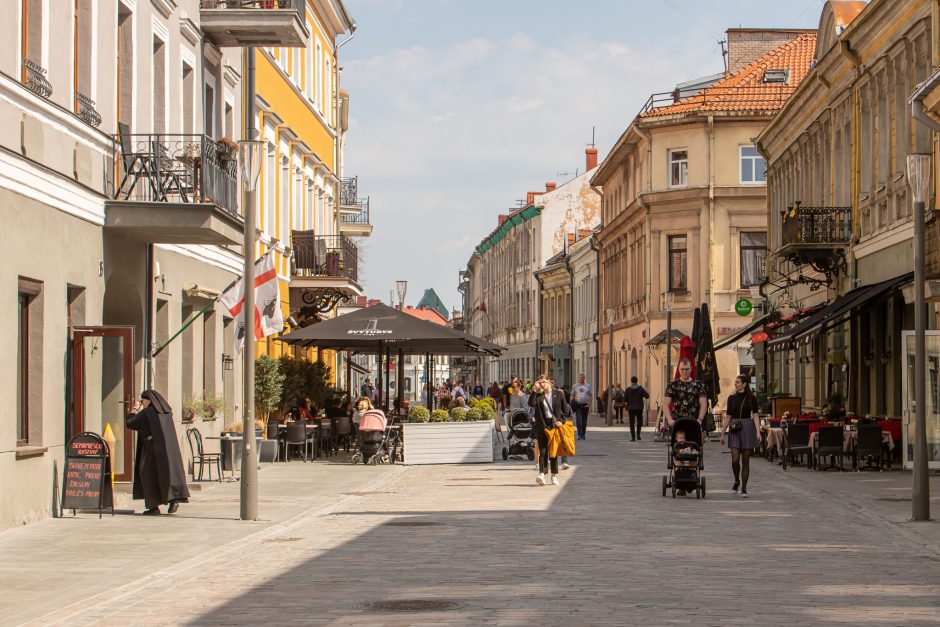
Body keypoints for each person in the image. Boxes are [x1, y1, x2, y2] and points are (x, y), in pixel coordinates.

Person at [126, 390, 190, 515]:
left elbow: (130, 423)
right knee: (168, 474)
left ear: (148, 401)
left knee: (148, 475)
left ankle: (153, 507)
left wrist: (134, 409)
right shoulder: (166, 413)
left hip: (152, 450)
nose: (142, 404)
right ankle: (173, 499)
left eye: (142, 401)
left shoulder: (147, 413)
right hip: (169, 452)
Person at [662, 358, 707, 495]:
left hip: (693, 423)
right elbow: (665, 404)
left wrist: (700, 419)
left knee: (693, 450)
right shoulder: (673, 384)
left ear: (691, 369)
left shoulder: (698, 385)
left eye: (687, 369)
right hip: (678, 424)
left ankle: (691, 478)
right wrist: (669, 419)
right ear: (679, 369)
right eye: (682, 369)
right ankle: (680, 480)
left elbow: (703, 404)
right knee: (679, 451)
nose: (684, 372)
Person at [721, 375, 761, 498]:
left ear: (744, 384)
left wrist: (758, 431)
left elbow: (755, 415)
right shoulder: (731, 398)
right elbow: (728, 416)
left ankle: (744, 488)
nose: (736, 384)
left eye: (738, 382)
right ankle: (736, 480)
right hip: (734, 427)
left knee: (746, 460)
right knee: (735, 459)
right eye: (735, 382)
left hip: (747, 427)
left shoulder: (751, 398)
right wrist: (723, 432)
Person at [528, 376, 571, 486]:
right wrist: (534, 390)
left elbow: (566, 412)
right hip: (542, 425)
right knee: (543, 451)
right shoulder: (538, 395)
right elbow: (531, 404)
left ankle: (553, 476)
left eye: (544, 382)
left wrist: (561, 421)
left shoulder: (558, 394)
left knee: (553, 451)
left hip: (554, 426)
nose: (542, 384)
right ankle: (542, 474)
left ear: (550, 383)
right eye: (540, 382)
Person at [624, 376, 649, 441]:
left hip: (631, 408)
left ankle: (633, 437)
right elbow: (647, 396)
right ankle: (638, 435)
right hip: (639, 408)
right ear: (637, 381)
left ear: (631, 381)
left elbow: (625, 399)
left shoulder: (628, 389)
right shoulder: (640, 388)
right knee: (639, 421)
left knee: (631, 423)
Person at [570, 373, 592, 441]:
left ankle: (583, 434)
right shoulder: (575, 386)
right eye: (580, 377)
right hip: (578, 405)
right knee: (579, 420)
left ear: (584, 378)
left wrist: (590, 404)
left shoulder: (588, 386)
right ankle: (580, 434)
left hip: (585, 405)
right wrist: (572, 403)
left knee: (584, 421)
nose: (581, 379)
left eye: (582, 377)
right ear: (578, 378)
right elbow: (572, 395)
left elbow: (590, 395)